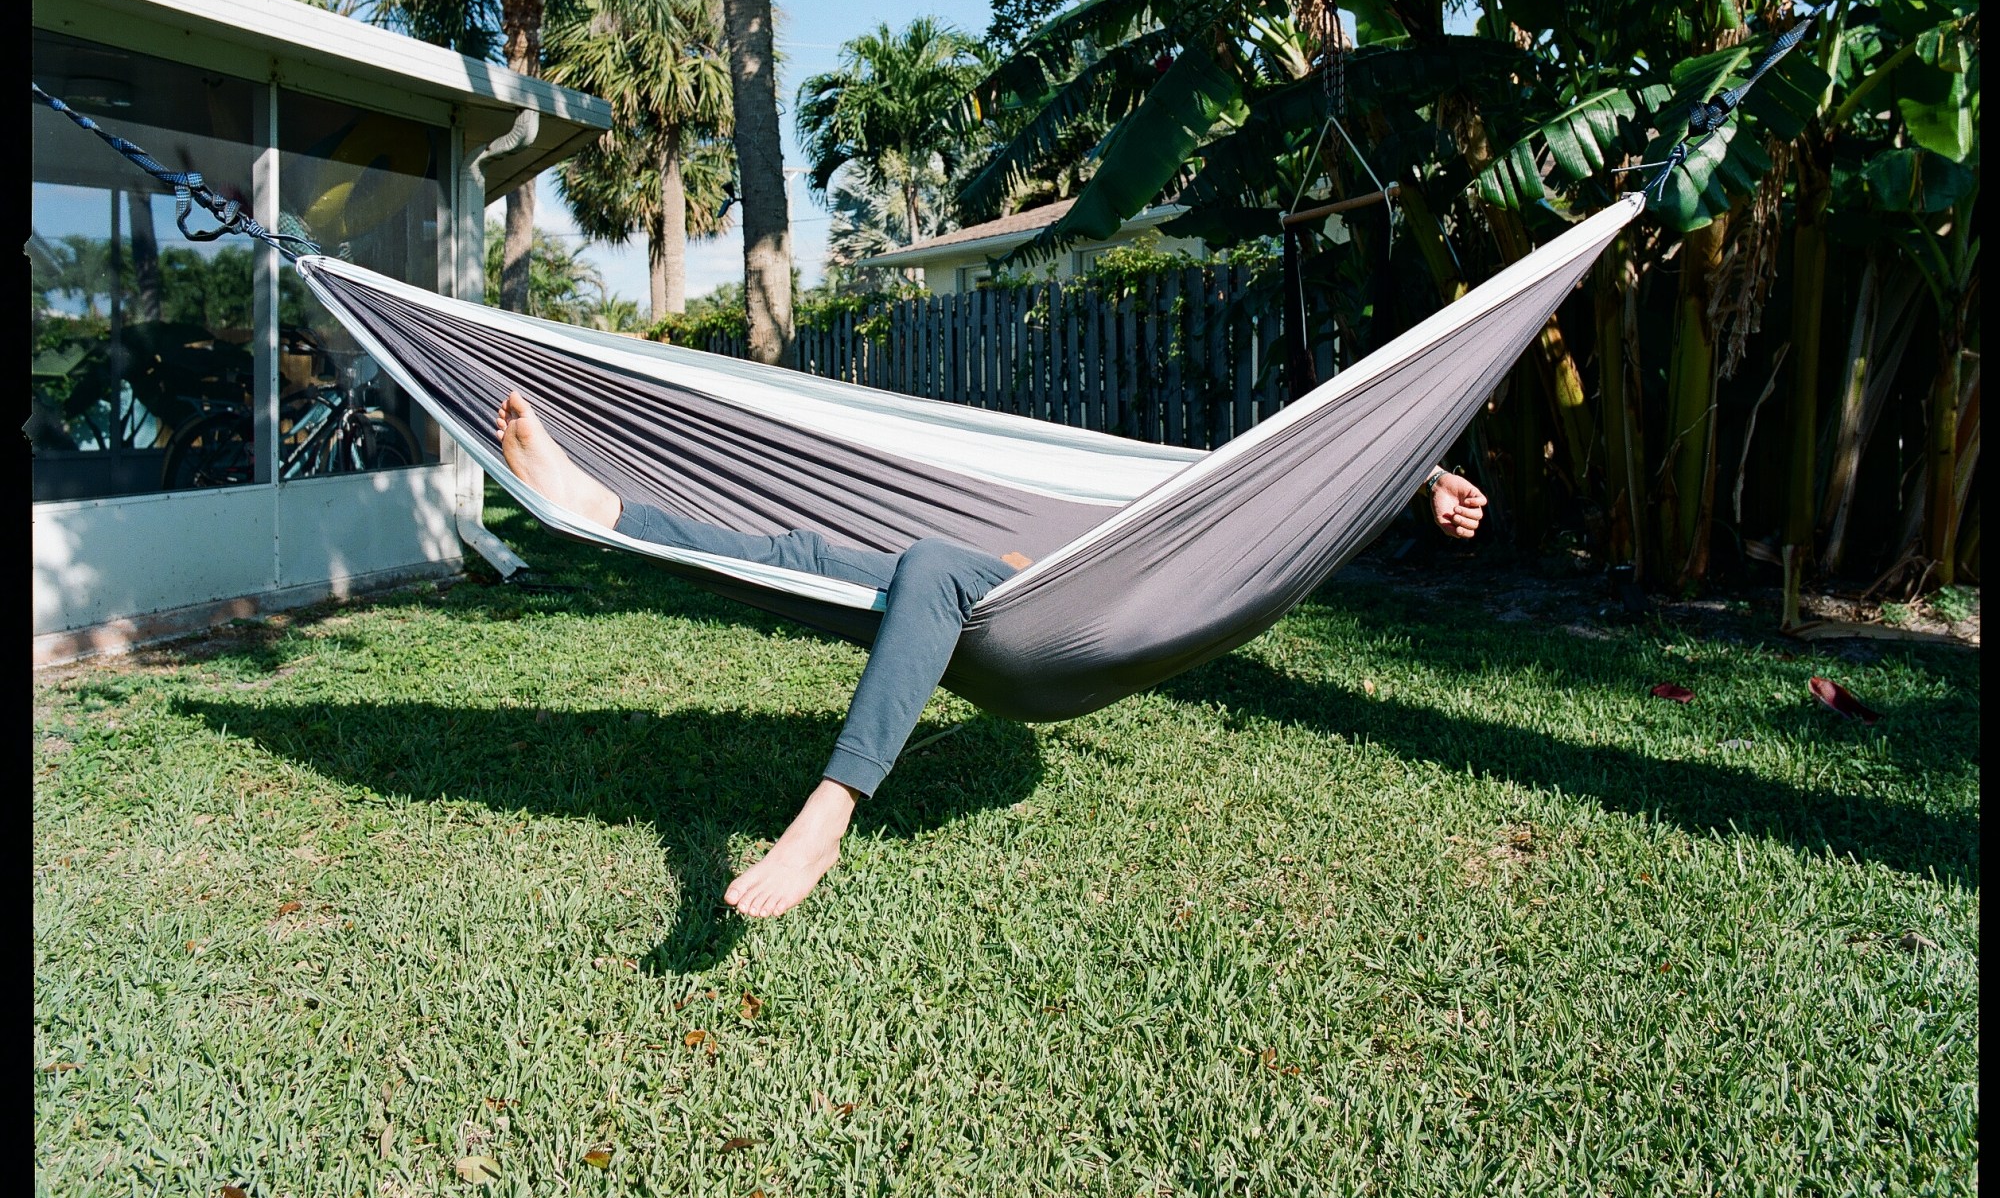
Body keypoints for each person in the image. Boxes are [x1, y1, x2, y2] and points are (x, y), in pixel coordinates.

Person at [494, 388, 1487, 917]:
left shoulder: (1214, 536)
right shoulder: (1153, 483)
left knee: (927, 564)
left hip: (1062, 632)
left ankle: (826, 816)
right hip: (1004, 587)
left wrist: (1419, 477)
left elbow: (1311, 472)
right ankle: (607, 508)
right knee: (804, 555)